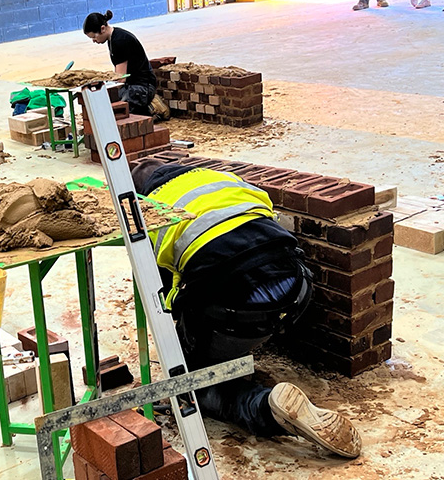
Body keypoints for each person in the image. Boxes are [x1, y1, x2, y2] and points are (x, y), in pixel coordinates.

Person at [131, 158, 362, 459]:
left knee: (191, 383)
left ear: (141, 193)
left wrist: (190, 350)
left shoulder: (151, 212)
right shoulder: (220, 179)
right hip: (296, 289)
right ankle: (241, 340)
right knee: (230, 294)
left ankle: (265, 406)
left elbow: (164, 301)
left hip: (239, 309)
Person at [83, 10, 158, 116]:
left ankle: (147, 107)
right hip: (135, 83)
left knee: (117, 112)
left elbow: (120, 79)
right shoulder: (113, 38)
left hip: (141, 87)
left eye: (94, 37)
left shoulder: (119, 41)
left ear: (102, 29)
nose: (94, 41)